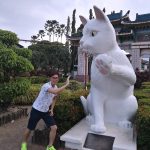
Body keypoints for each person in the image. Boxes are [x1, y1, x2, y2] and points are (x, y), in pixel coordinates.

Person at [21, 70, 70, 150]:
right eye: (54, 78)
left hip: (46, 111)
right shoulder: (46, 86)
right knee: (30, 128)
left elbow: (54, 98)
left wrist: (52, 109)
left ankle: (49, 146)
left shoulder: (56, 87)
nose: (55, 79)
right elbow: (55, 91)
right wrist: (67, 84)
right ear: (50, 78)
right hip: (36, 110)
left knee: (54, 128)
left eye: (57, 78)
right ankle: (23, 143)